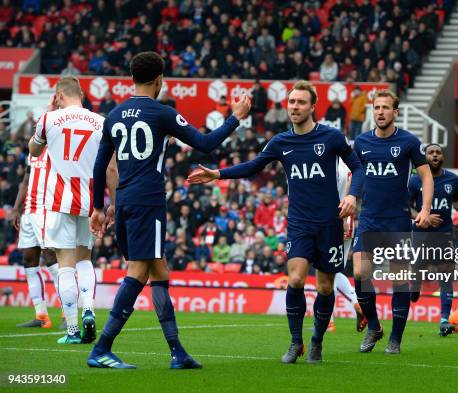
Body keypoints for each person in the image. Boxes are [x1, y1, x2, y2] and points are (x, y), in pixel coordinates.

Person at [88, 51, 251, 369]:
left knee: (159, 270)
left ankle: (177, 353)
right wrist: (236, 117)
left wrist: (98, 206)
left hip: (123, 202)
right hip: (148, 201)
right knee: (138, 271)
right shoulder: (161, 113)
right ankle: (101, 348)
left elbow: (99, 167)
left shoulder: (114, 115)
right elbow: (205, 143)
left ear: (131, 78)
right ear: (160, 79)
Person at [188, 80, 364, 364]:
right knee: (294, 278)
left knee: (325, 287)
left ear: (312, 106)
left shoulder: (331, 137)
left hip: (330, 222)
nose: (295, 107)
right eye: (292, 102)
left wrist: (353, 195)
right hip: (299, 222)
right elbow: (252, 166)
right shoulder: (281, 142)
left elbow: (357, 166)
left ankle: (317, 341)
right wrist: (217, 174)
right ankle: (296, 342)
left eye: (301, 102)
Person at [29, 76, 112, 344]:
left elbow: (33, 149)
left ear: (59, 96)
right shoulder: (102, 122)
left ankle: (73, 330)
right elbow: (111, 167)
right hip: (90, 202)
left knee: (64, 265)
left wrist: (50, 111)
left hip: (59, 200)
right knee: (85, 259)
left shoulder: (48, 119)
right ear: (83, 94)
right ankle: (89, 310)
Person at [352, 89, 433, 355]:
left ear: (395, 113)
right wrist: (349, 200)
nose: (381, 112)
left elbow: (426, 176)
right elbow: (355, 175)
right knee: (361, 274)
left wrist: (424, 208)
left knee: (399, 279)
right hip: (368, 219)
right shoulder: (362, 142)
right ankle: (374, 327)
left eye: (386, 108)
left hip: (397, 220)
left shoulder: (409, 141)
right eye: (377, 108)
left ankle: (395, 339)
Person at [408, 143, 458, 336]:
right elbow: (407, 208)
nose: (435, 155)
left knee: (445, 275)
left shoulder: (452, 179)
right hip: (421, 233)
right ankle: (415, 285)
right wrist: (422, 216)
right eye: (431, 153)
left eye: (438, 152)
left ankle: (444, 319)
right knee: (417, 268)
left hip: (444, 234)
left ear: (442, 157)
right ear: (425, 157)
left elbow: (456, 200)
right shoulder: (414, 180)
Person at [8, 146, 62, 329]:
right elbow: (26, 180)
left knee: (51, 258)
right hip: (29, 212)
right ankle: (41, 316)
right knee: (29, 260)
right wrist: (16, 208)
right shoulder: (33, 152)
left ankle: (67, 314)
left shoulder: (57, 150)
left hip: (47, 210)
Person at [327, 160, 366, 333]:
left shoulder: (335, 168)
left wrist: (341, 221)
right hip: (348, 221)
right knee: (334, 271)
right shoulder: (351, 167)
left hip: (336, 221)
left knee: (327, 270)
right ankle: (356, 302)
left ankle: (329, 319)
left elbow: (340, 195)